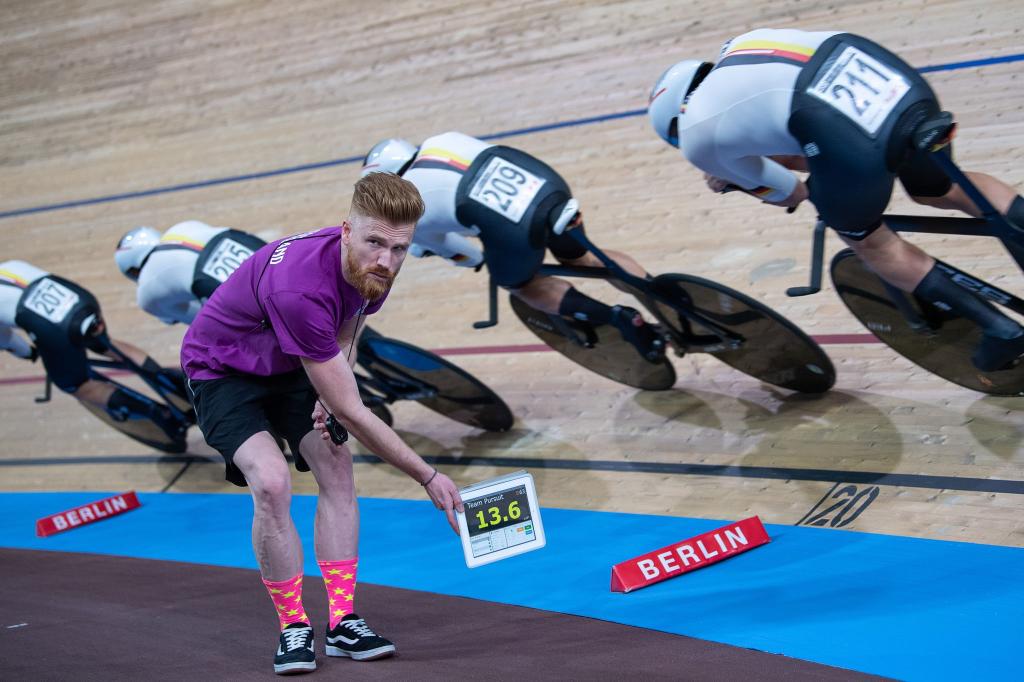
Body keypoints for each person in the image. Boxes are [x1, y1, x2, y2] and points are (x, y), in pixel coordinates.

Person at [180, 172, 463, 674]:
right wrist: (427, 475)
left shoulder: (373, 271)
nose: (386, 259)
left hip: (291, 364)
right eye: (376, 242)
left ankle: (342, 622)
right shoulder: (301, 290)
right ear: (345, 231)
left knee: (336, 469)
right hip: (224, 372)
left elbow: (352, 322)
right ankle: (294, 626)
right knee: (270, 482)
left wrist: (335, 385)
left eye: (400, 248)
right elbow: (355, 412)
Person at [648, 28, 1024, 372]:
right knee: (941, 189)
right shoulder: (741, 46)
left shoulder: (697, 137)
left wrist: (735, 181)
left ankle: (1002, 331)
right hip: (897, 83)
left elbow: (793, 193)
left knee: (869, 240)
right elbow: (806, 124)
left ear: (675, 126)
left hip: (835, 127)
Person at [360, 133, 664, 361]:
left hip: (514, 229)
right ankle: (663, 297)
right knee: (583, 255)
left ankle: (620, 318)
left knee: (520, 283)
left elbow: (467, 255)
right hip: (549, 186)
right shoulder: (441, 140)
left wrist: (439, 250)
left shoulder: (404, 207)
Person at [0, 260, 180, 430]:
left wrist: (27, 353)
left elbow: (8, 341)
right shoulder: (10, 265)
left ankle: (157, 413)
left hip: (55, 330)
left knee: (75, 384)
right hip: (83, 302)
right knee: (107, 344)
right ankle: (173, 385)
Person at [115, 220, 268, 325]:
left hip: (213, 283)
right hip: (246, 242)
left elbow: (198, 321)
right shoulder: (183, 225)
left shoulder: (145, 292)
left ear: (134, 270)